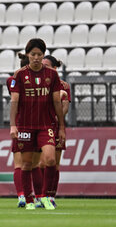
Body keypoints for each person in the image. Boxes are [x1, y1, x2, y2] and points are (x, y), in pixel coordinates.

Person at [9, 38, 65, 210]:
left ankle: (47, 196)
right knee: (26, 163)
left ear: (43, 55)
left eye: (39, 54)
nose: (36, 57)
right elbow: (14, 101)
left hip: (46, 125)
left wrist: (61, 127)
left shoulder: (52, 75)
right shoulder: (19, 75)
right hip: (25, 125)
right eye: (33, 54)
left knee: (49, 160)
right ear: (28, 55)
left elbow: (57, 101)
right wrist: (13, 125)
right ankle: (29, 200)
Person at [7, 53, 43, 208]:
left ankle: (23, 195)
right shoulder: (16, 80)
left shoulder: (13, 80)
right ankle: (36, 196)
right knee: (32, 164)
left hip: (25, 124)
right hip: (26, 124)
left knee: (22, 164)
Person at [40, 55, 71, 207]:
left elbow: (65, 107)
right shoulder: (38, 83)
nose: (44, 68)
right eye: (42, 65)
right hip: (39, 126)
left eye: (47, 65)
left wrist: (57, 119)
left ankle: (51, 196)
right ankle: (41, 195)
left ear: (55, 68)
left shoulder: (64, 86)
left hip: (55, 126)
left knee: (54, 164)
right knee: (40, 164)